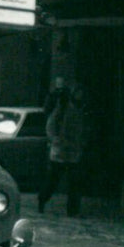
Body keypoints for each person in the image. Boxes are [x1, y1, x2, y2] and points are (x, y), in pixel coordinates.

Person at [38, 81, 87, 216]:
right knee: (54, 180)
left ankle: (72, 210)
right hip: (62, 151)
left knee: (72, 182)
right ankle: (43, 200)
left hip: (71, 151)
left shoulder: (77, 109)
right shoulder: (65, 109)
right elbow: (52, 126)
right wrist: (57, 141)